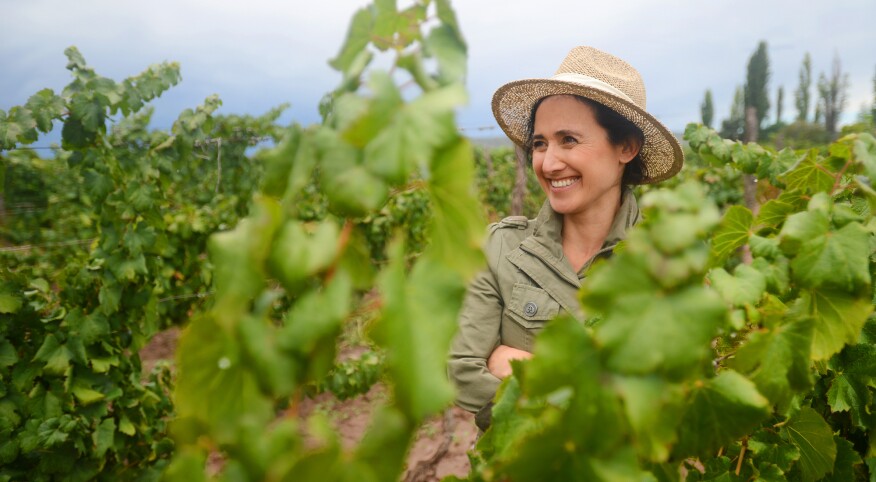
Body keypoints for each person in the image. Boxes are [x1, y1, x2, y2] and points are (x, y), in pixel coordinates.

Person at [447, 46, 684, 430]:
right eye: (540, 143)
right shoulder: (503, 247)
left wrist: (520, 367)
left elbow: (669, 411)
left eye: (569, 140)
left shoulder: (668, 263)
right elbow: (463, 374)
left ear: (626, 147)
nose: (549, 163)